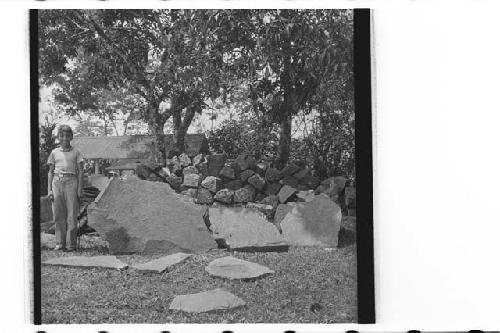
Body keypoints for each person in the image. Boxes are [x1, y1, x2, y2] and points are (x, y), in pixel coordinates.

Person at [47, 125, 84, 251]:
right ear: (58, 137)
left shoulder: (76, 152)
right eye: (62, 135)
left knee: (72, 215)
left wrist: (79, 189)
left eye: (67, 135)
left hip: (71, 182)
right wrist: (49, 190)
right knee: (58, 214)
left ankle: (71, 244)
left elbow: (81, 171)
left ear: (71, 137)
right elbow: (50, 172)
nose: (65, 138)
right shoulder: (54, 152)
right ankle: (59, 243)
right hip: (57, 182)